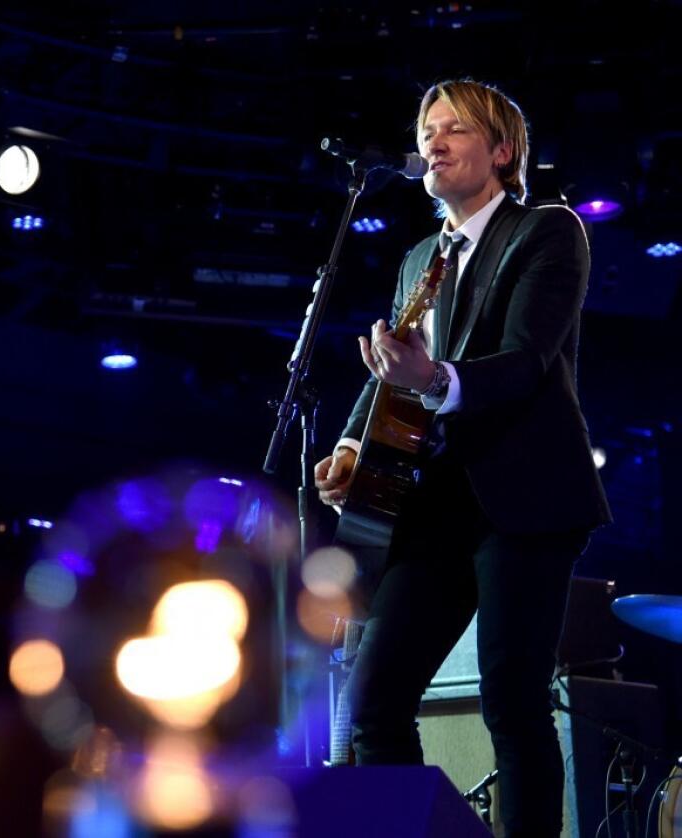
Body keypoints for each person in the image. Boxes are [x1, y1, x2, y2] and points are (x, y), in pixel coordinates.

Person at [313, 79, 611, 837]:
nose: (433, 144)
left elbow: (525, 361)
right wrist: (353, 443)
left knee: (512, 700)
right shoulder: (420, 256)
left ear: (502, 151)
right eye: (426, 130)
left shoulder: (547, 231)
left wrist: (435, 380)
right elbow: (396, 363)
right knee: (375, 704)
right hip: (432, 499)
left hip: (524, 496)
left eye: (454, 130)